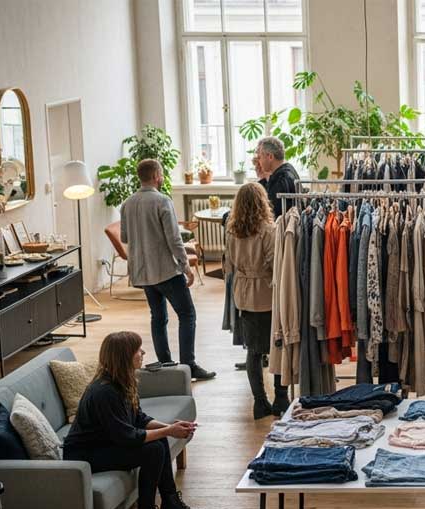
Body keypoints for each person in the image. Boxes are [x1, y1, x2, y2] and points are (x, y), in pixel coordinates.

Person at [63, 331, 206, 509]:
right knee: (154, 449)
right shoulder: (105, 392)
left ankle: (171, 504)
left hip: (106, 443)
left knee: (160, 440)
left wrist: (168, 427)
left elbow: (138, 418)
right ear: (124, 356)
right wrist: (168, 430)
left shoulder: (123, 381)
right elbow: (128, 437)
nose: (143, 353)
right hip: (87, 454)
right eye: (138, 350)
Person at [120, 159, 215, 381]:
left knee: (158, 317)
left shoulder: (127, 203)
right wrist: (186, 267)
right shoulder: (162, 201)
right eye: (161, 174)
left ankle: (165, 365)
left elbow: (125, 237)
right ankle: (188, 365)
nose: (162, 178)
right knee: (187, 314)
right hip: (165, 270)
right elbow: (174, 239)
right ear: (155, 176)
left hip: (143, 273)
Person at [225, 182, 289, 420]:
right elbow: (274, 264)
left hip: (243, 293)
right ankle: (280, 398)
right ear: (263, 203)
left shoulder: (231, 231)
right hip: (266, 292)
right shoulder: (269, 230)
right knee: (277, 347)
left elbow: (229, 264)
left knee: (253, 351)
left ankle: (259, 402)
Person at [253, 136, 300, 219]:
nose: (259, 161)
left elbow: (268, 213)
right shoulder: (288, 170)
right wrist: (263, 178)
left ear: (270, 157)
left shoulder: (281, 179)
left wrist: (262, 179)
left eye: (260, 157)